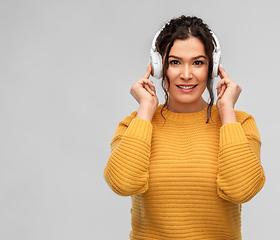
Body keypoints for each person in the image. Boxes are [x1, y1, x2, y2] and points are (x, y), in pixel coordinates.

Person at [104, 15, 265, 240]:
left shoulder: (240, 124)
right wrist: (146, 109)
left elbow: (241, 189)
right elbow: (123, 184)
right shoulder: (134, 125)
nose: (186, 74)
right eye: (175, 62)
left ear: (212, 68)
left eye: (198, 62)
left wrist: (226, 109)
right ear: (160, 67)